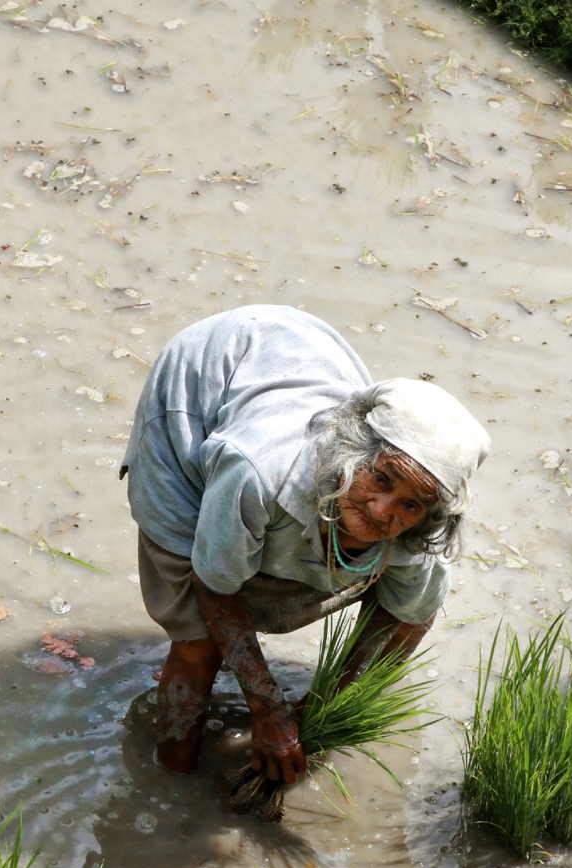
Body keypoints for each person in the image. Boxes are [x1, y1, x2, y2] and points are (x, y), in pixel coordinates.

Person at [119, 305, 491, 786]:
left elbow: (407, 620)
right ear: (354, 453)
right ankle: (170, 782)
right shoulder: (257, 472)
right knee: (198, 640)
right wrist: (267, 706)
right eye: (380, 478)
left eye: (411, 505)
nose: (383, 512)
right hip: (197, 392)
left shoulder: (420, 538)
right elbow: (213, 582)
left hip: (300, 363)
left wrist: (321, 714)